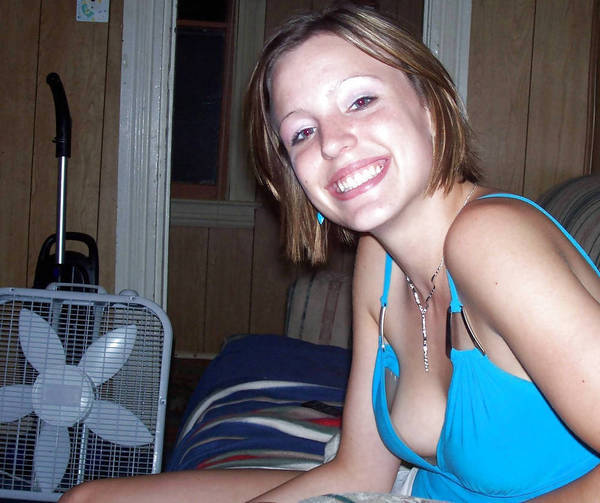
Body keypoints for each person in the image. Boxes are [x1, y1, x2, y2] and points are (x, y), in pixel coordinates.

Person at [61, 3, 600, 502]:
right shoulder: (379, 261)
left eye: (361, 101)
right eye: (301, 132)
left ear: (430, 107)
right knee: (88, 499)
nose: (332, 142)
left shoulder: (494, 239)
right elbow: (361, 473)